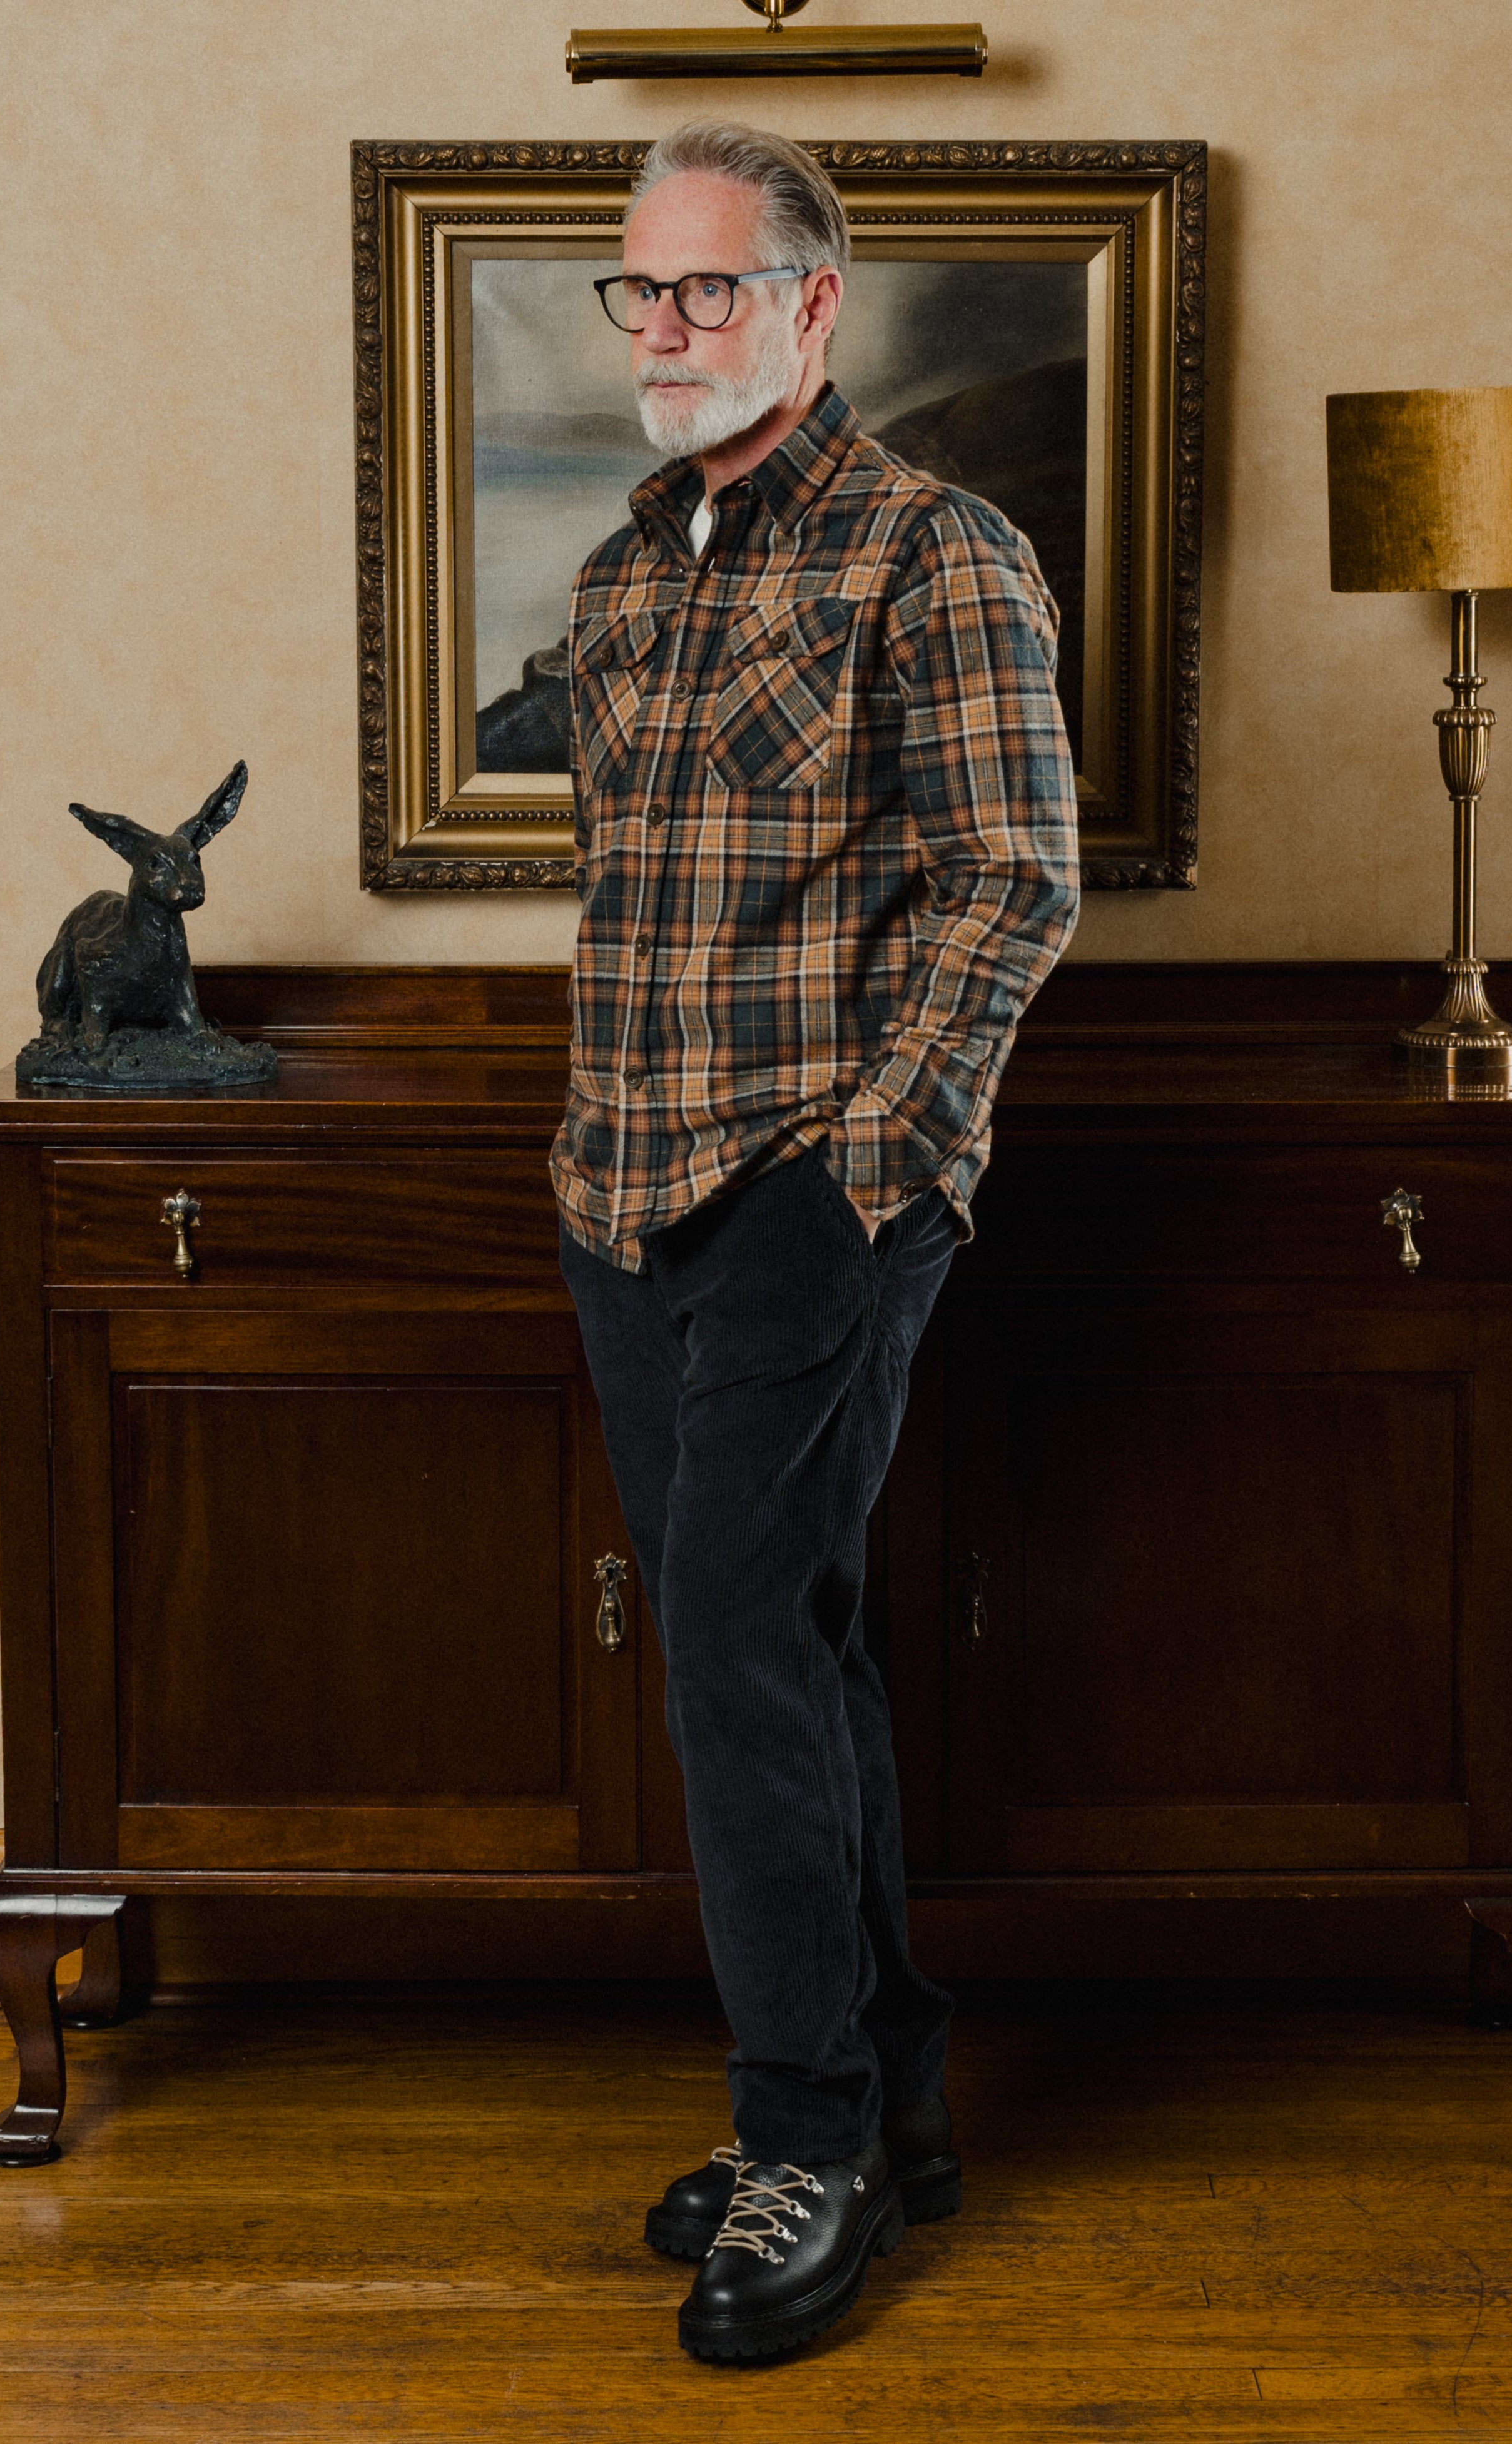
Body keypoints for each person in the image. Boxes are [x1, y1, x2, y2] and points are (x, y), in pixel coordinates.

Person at [552, 120, 1080, 2365]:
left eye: (711, 289)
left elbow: (1012, 878)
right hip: (622, 1185)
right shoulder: (619, 571)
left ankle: (804, 2136)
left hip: (814, 1190)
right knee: (799, 1634)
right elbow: (627, 892)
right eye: (641, 293)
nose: (669, 327)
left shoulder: (936, 554)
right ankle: (901, 2096)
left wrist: (882, 1156)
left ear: (811, 305)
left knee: (736, 1648)